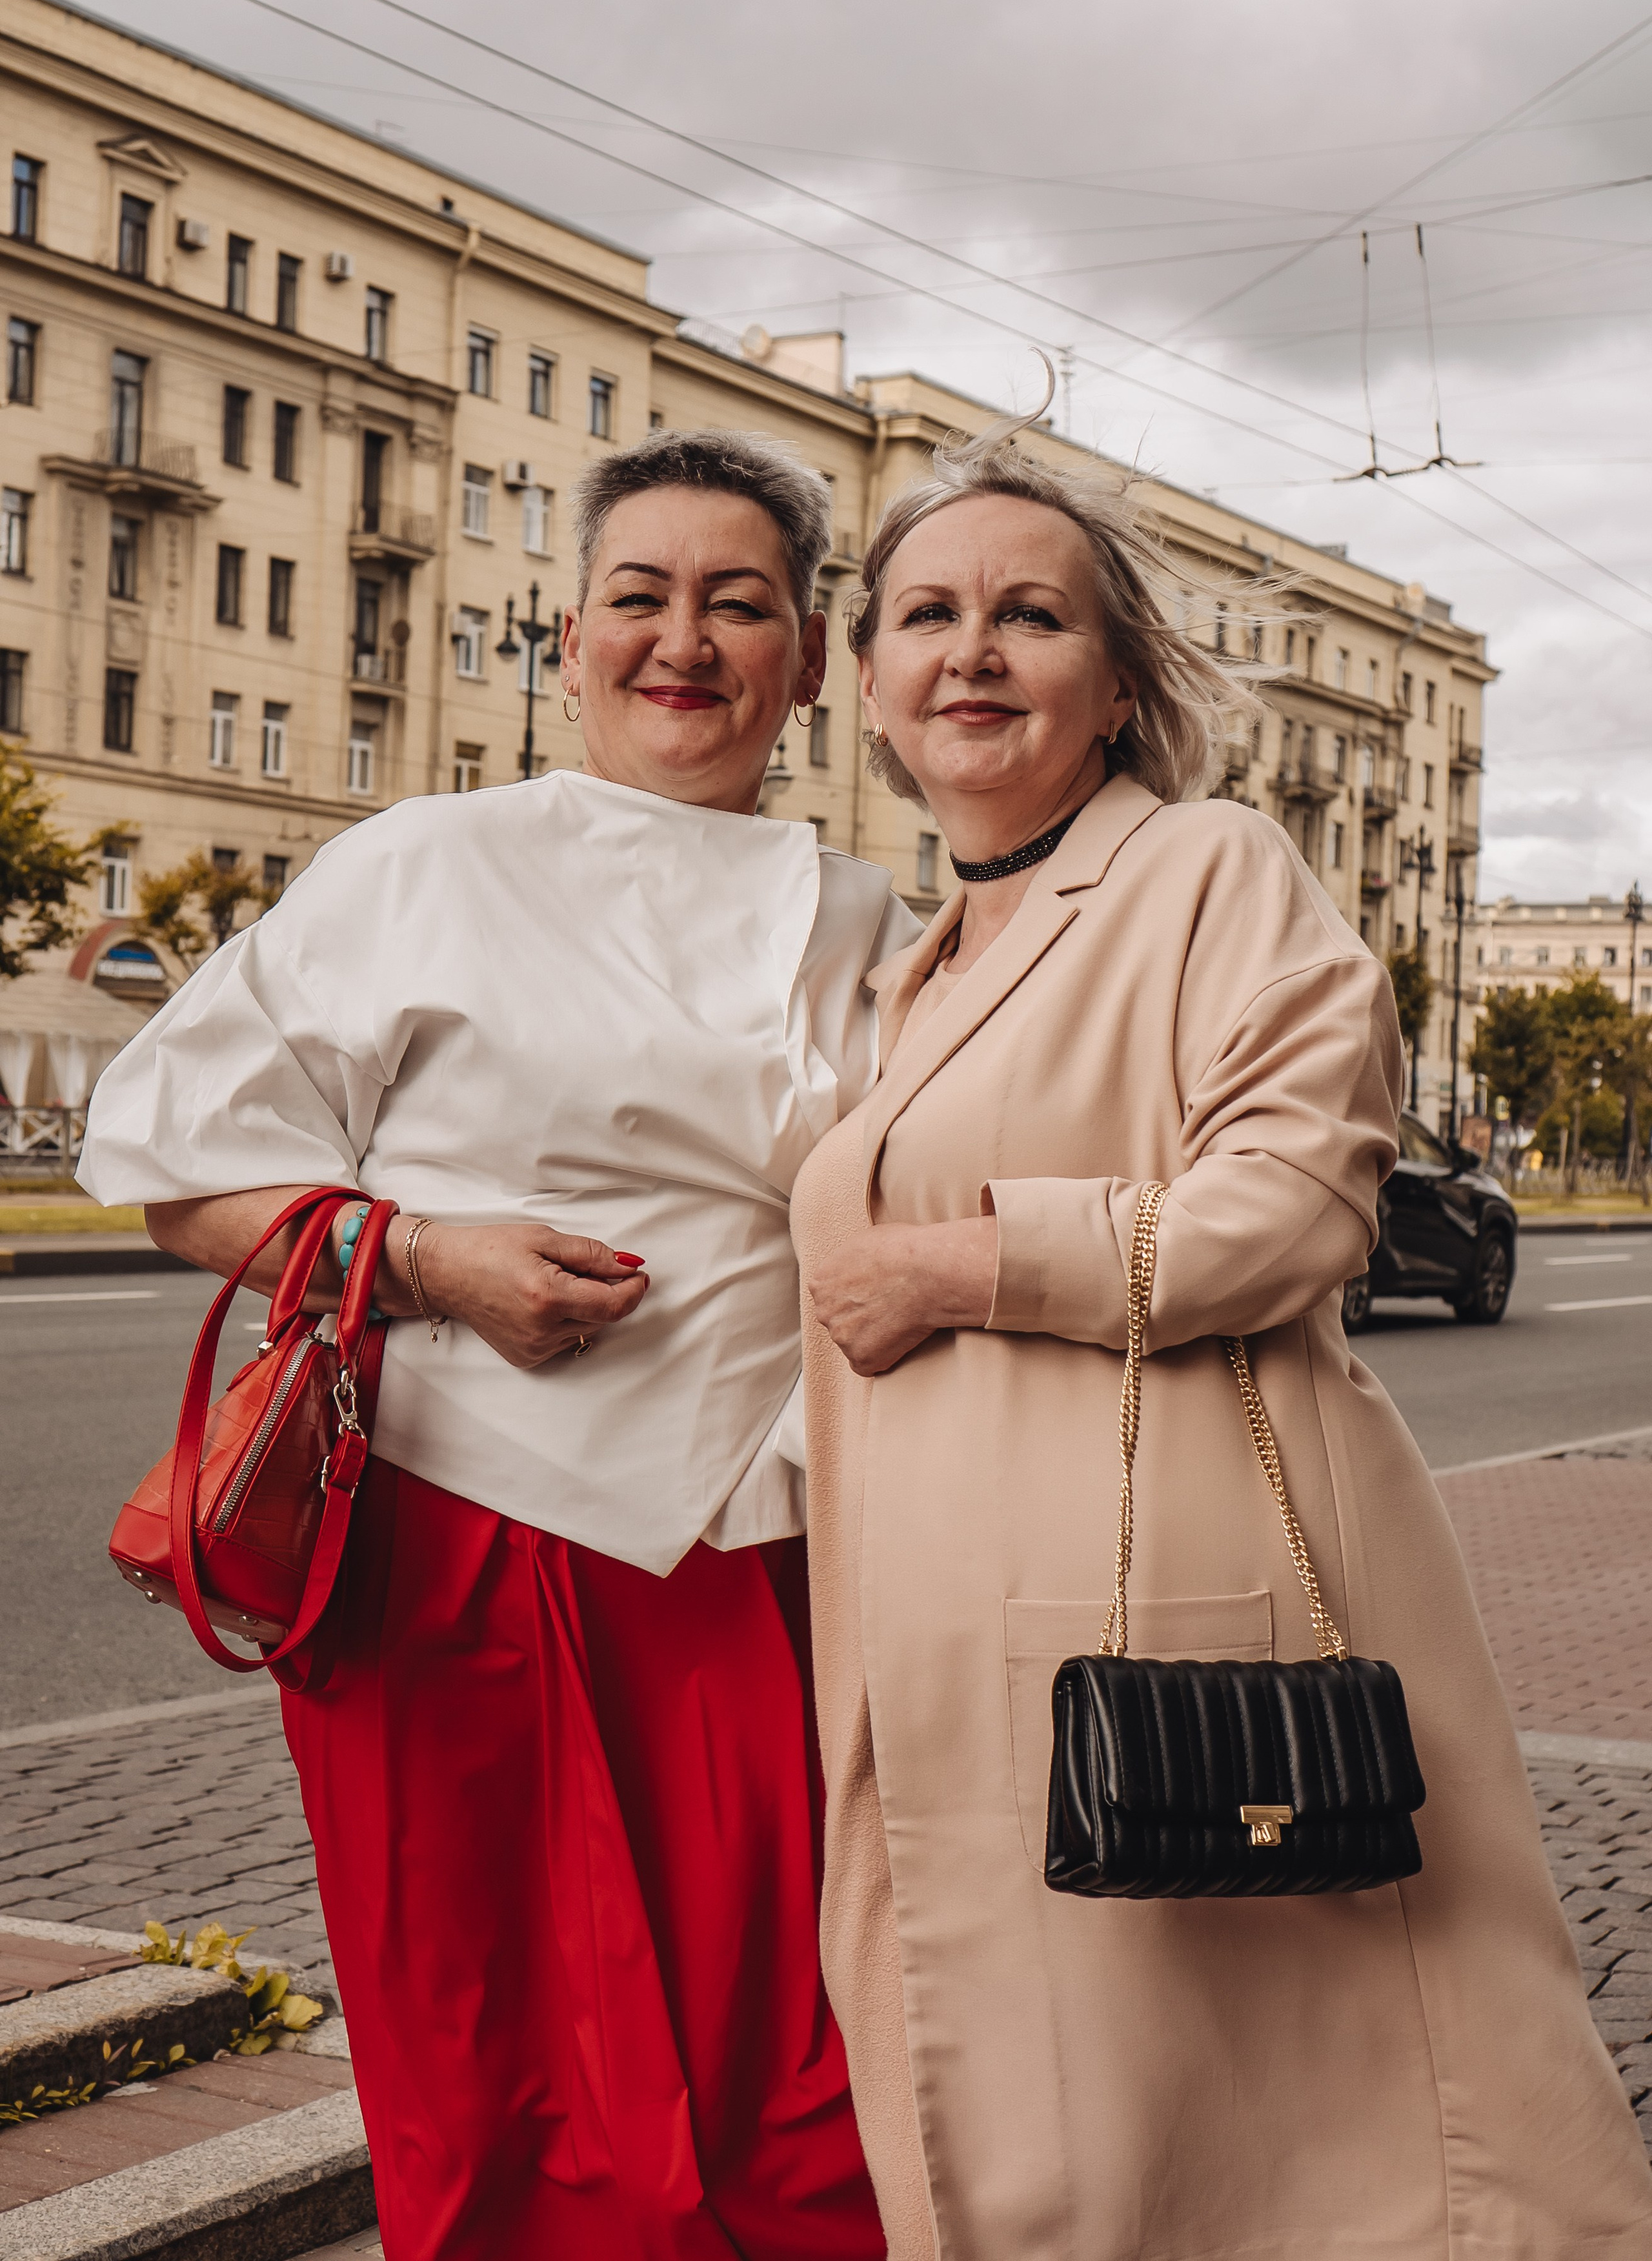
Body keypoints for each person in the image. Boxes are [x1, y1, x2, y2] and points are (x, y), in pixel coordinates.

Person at [791, 415, 1652, 2260]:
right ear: (867, 684)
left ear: (1116, 687)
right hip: (936, 1666)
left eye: (1031, 615)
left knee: (1254, 2151)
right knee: (1049, 2139)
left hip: (1158, 1637)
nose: (972, 651)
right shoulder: (901, 962)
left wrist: (957, 1269)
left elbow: (1299, 1206)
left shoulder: (1207, 869)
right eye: (925, 615)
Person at [81, 427, 918, 2261]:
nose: (683, 640)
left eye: (738, 603)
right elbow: (165, 1166)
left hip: (764, 1556)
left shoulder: (881, 923)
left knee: (802, 2107)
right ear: (569, 637)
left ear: (804, 659)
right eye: (642, 596)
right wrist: (422, 1257)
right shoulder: (426, 861)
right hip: (449, 1543)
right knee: (489, 2090)